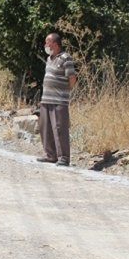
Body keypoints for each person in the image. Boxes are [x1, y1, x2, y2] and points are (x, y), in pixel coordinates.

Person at [36, 33, 77, 166]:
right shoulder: (49, 59)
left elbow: (72, 79)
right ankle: (50, 155)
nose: (45, 45)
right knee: (45, 128)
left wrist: (64, 92)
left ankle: (64, 158)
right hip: (46, 99)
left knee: (59, 129)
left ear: (55, 43)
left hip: (59, 100)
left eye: (47, 42)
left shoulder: (66, 58)